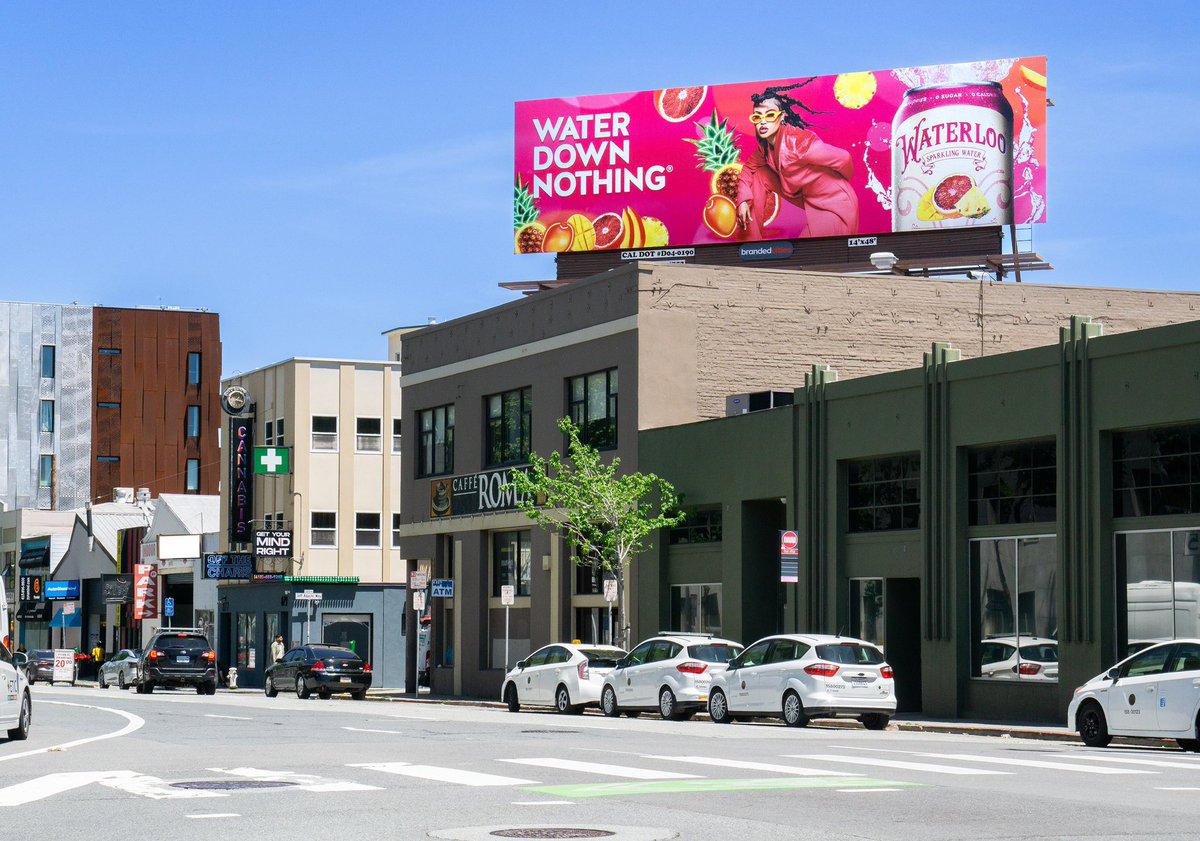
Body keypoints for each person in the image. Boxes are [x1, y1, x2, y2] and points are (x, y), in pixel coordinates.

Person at [736, 79, 859, 239]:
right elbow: (748, 169)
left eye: (770, 115)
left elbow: (844, 158)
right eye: (757, 117)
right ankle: (750, 243)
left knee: (806, 254)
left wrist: (839, 184)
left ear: (782, 117)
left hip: (834, 204)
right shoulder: (766, 147)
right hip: (807, 197)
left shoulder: (799, 143)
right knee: (759, 174)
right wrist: (743, 200)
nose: (763, 121)